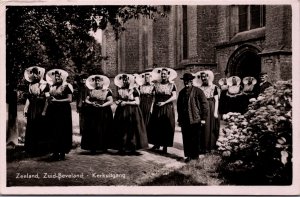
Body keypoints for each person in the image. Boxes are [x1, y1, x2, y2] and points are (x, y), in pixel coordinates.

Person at [113, 74, 148, 155]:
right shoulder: (120, 89)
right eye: (124, 80)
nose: (125, 81)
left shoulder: (134, 90)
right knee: (121, 128)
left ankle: (133, 148)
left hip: (132, 111)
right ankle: (122, 147)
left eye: (126, 80)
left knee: (132, 128)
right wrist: (118, 102)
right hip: (122, 111)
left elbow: (137, 102)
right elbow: (120, 99)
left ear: (130, 81)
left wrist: (126, 103)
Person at [177, 73, 209, 162]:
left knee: (195, 138)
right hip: (185, 120)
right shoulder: (181, 92)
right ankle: (188, 156)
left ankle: (195, 156)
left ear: (191, 81)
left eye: (188, 81)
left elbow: (205, 105)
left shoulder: (198, 91)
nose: (186, 83)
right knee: (186, 138)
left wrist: (203, 118)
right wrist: (179, 120)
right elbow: (179, 107)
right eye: (185, 81)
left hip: (196, 119)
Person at [81, 75, 114, 154]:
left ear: (103, 82)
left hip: (104, 111)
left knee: (104, 128)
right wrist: (91, 103)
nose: (97, 82)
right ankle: (93, 147)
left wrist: (102, 105)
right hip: (93, 111)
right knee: (93, 128)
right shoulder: (91, 91)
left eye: (99, 81)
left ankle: (104, 146)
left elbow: (110, 101)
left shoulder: (107, 91)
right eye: (96, 81)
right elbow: (86, 100)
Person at [45, 69, 73, 161]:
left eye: (59, 76)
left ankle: (62, 152)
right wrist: (49, 100)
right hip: (53, 110)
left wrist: (57, 101)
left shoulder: (66, 87)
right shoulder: (51, 87)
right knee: (53, 130)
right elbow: (48, 98)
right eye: (56, 77)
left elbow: (69, 99)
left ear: (62, 77)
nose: (57, 78)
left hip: (63, 111)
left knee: (62, 130)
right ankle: (55, 152)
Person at [148, 67, 177, 153]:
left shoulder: (172, 85)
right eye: (162, 74)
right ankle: (156, 144)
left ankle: (165, 146)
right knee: (156, 125)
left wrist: (164, 103)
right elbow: (153, 96)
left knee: (166, 126)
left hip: (167, 107)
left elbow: (174, 97)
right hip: (157, 107)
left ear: (168, 75)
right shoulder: (156, 85)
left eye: (165, 74)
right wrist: (151, 106)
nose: (163, 75)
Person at [23, 66, 49, 155]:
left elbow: (47, 99)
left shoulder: (45, 84)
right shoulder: (30, 85)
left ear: (39, 74)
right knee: (31, 126)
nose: (35, 75)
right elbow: (29, 98)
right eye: (33, 74)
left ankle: (41, 150)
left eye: (36, 73)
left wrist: (44, 110)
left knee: (41, 126)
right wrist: (25, 108)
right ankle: (31, 149)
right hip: (32, 107)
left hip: (41, 106)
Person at [193, 70, 220, 153]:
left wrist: (215, 112)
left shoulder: (214, 87)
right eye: (202, 77)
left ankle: (210, 147)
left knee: (210, 127)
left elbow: (216, 100)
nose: (203, 78)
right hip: (201, 107)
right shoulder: (199, 88)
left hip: (211, 106)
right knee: (202, 128)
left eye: (205, 76)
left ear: (209, 77)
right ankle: (202, 147)